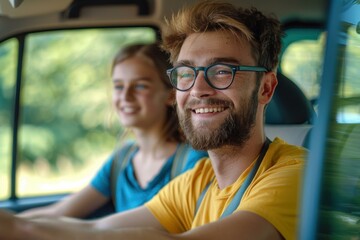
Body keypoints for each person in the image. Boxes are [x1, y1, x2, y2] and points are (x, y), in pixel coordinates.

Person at [0, 1, 307, 239]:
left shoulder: (297, 174)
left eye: (222, 71)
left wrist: (23, 230)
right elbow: (100, 231)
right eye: (186, 73)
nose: (198, 89)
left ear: (265, 87)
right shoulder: (198, 181)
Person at [19, 43, 208, 218]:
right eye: (118, 86)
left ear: (170, 95)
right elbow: (60, 211)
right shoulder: (122, 159)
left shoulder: (192, 161)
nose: (125, 96)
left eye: (140, 86)